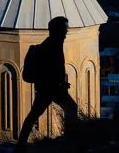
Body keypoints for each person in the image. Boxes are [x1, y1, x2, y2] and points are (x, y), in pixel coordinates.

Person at [16, 16, 78, 150]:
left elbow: (55, 69)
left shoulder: (54, 44)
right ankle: (70, 139)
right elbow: (49, 70)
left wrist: (61, 82)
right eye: (64, 29)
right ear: (57, 30)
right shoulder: (50, 46)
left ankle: (21, 144)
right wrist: (57, 83)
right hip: (50, 88)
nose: (66, 32)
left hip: (51, 88)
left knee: (34, 115)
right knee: (71, 108)